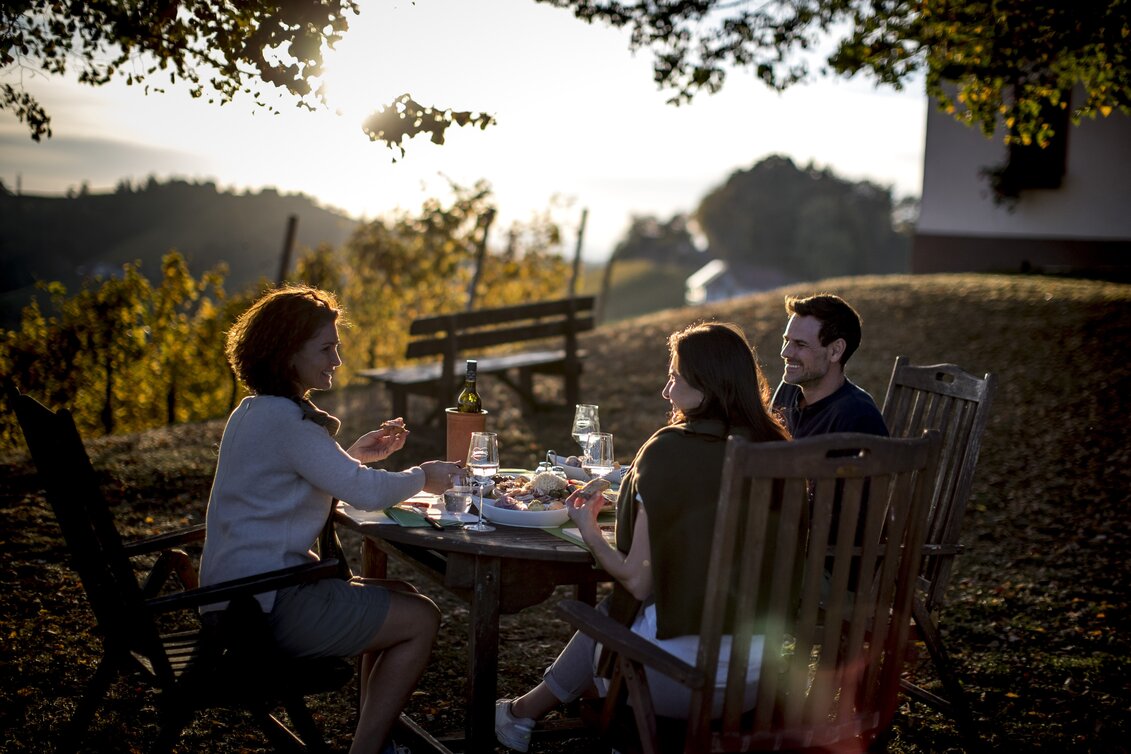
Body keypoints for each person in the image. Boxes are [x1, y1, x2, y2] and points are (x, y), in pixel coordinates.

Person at [495, 322, 791, 752]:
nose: (666, 392)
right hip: (761, 681)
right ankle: (525, 713)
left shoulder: (667, 450)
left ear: (705, 386)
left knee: (615, 611)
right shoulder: (779, 449)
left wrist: (590, 532)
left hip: (673, 682)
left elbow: (637, 581)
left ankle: (526, 716)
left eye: (674, 377)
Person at [198, 285, 461, 754]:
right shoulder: (289, 424)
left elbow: (299, 481)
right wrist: (425, 475)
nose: (337, 359)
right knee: (421, 618)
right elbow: (362, 491)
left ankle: (374, 741)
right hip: (260, 612)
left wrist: (353, 456)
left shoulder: (255, 412)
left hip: (240, 599)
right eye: (326, 348)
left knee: (400, 595)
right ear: (286, 353)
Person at [772, 293, 888, 437]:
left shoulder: (859, 418)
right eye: (786, 340)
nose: (785, 352)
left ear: (835, 350)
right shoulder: (789, 389)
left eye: (800, 344)